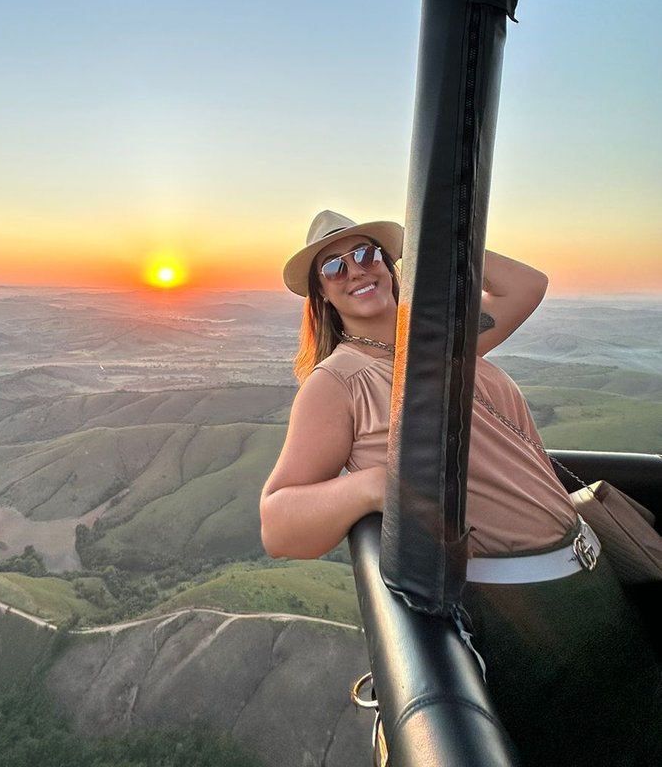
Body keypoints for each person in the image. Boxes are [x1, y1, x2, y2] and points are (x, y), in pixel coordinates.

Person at [260, 210, 662, 766]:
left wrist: (422, 245)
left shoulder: (444, 344)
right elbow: (278, 523)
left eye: (368, 254)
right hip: (524, 614)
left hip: (594, 581)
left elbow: (527, 285)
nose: (355, 269)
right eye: (333, 266)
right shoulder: (338, 383)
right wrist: (376, 485)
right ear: (321, 296)